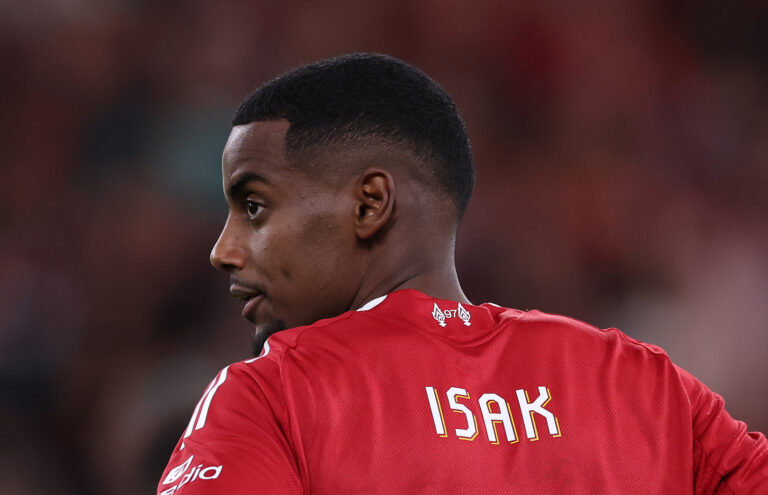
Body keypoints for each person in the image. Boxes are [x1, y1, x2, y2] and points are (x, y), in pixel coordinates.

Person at [157, 53, 767, 494]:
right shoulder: (644, 386)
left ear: (369, 205)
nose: (224, 250)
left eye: (254, 207)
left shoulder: (273, 395)